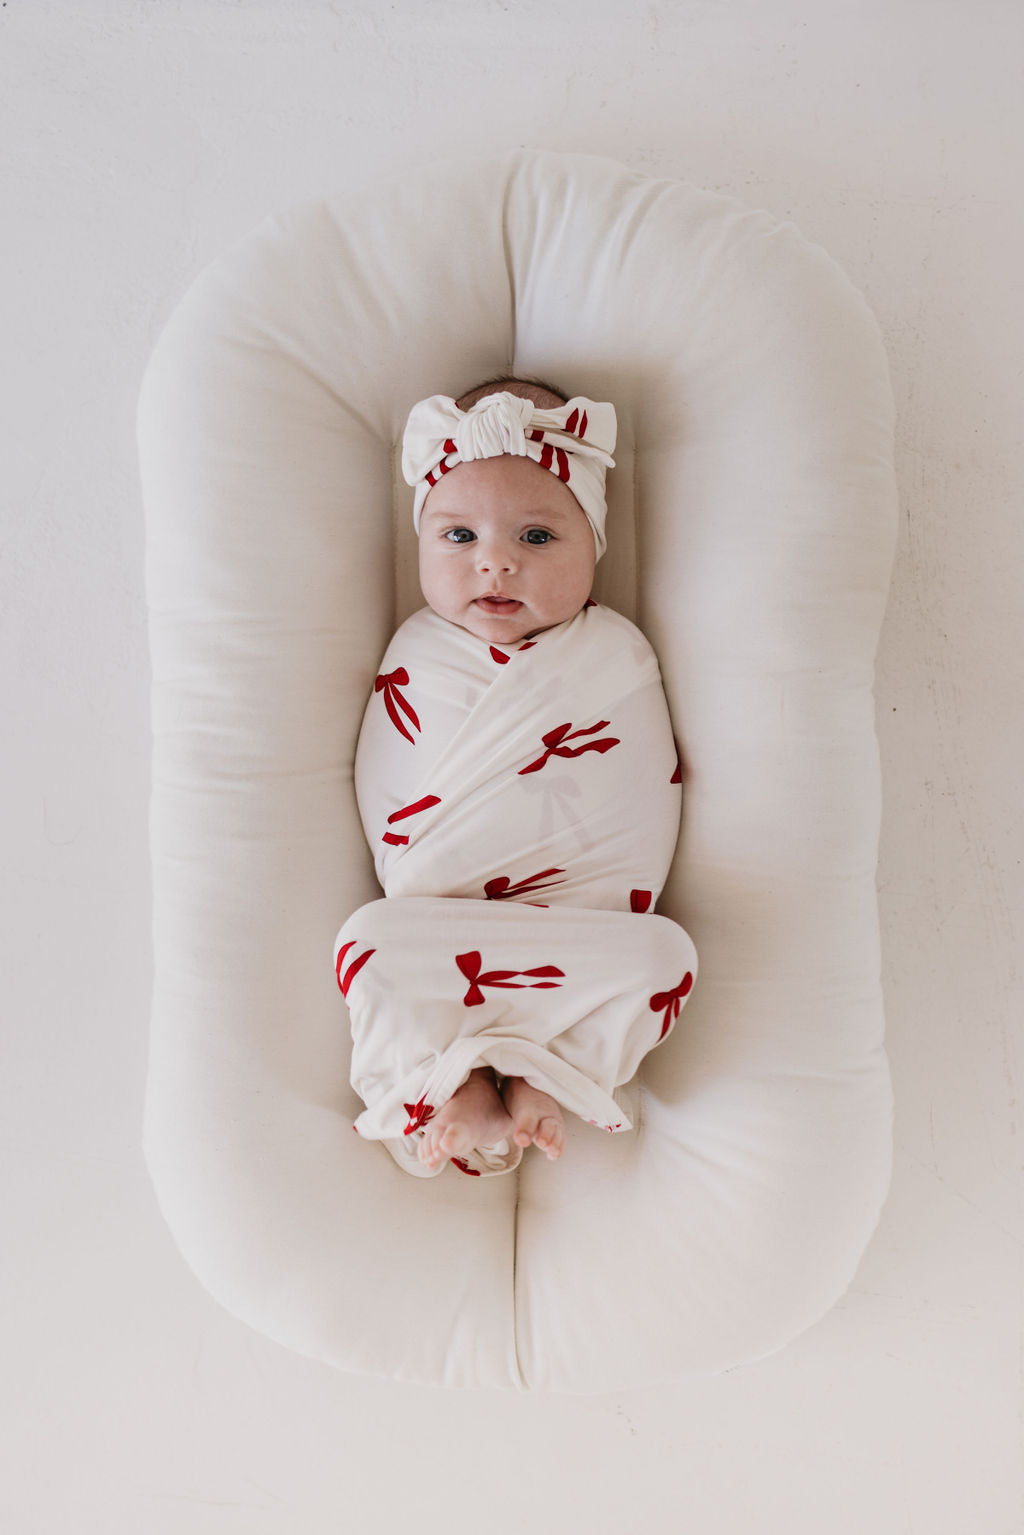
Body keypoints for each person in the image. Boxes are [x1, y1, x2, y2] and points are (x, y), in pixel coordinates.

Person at [335, 377, 697, 1177]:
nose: (494, 561)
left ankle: (545, 1067)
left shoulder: (617, 656)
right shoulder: (415, 653)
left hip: (581, 928)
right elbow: (392, 803)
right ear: (421, 544)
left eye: (536, 538)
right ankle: (453, 1082)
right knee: (367, 943)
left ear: (594, 542)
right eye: (459, 536)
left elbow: (641, 784)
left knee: (666, 958)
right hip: (442, 924)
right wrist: (435, 866)